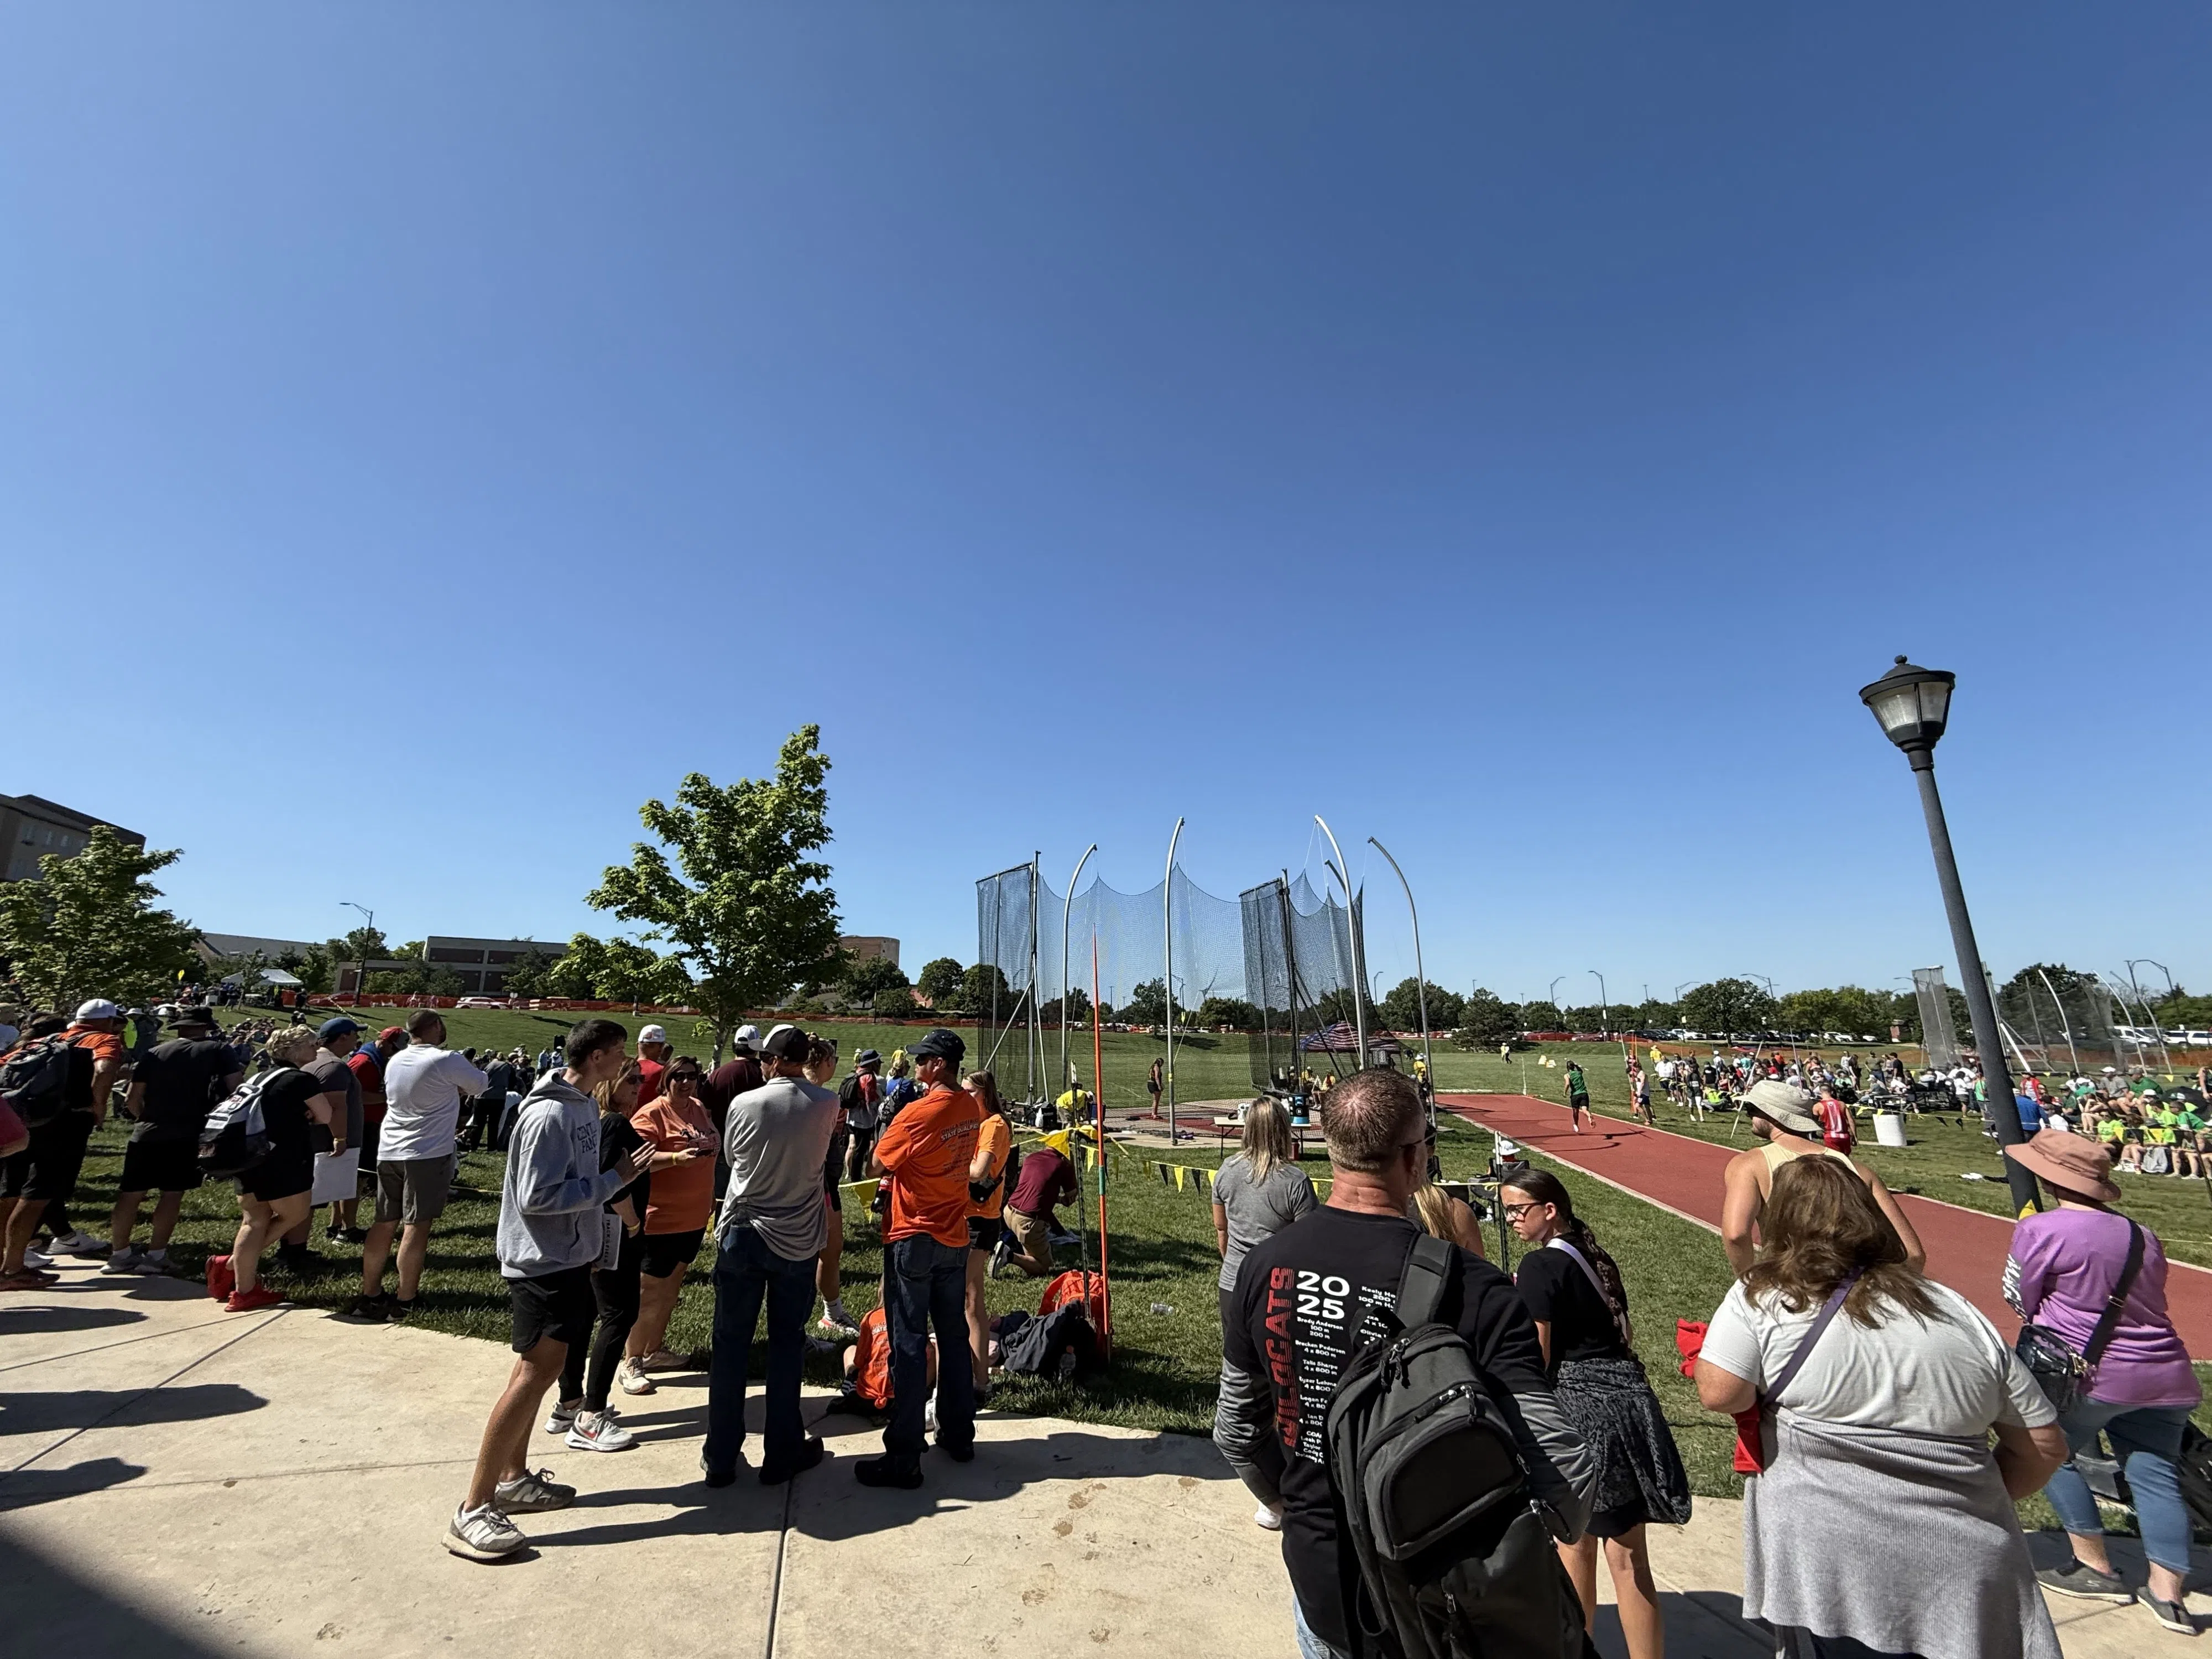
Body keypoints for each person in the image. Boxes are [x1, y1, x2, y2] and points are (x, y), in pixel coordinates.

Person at [1219, 1069, 1594, 1659]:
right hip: (1446, 1592)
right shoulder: (1480, 1289)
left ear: (1327, 1144)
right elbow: (1563, 1473)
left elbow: (1237, 1429)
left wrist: (1292, 1503)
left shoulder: (1263, 1266)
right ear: (1415, 1156)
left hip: (1323, 1581)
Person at [1694, 1156, 2067, 1659]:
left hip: (1836, 1564)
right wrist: (1957, 1500)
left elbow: (1720, 1393)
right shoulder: (1952, 1307)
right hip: (1966, 1562)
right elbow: (2043, 1446)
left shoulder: (1763, 1296)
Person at [445, 1018, 651, 1561]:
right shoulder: (549, 1113)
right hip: (539, 1263)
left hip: (570, 1258)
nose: (627, 1064)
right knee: (534, 1374)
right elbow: (537, 1198)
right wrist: (615, 1182)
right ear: (601, 1057)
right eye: (621, 1055)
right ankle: (472, 1510)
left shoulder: (582, 1105)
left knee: (539, 1372)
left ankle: (512, 1481)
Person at [2003, 1130, 2204, 1631]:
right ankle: (2169, 1593)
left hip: (2089, 1375)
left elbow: (2021, 1296)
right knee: (2155, 1473)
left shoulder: (2041, 1230)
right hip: (2164, 1371)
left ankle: (2093, 1564)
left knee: (2053, 1453)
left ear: (2050, 1179)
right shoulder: (2142, 1234)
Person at [1501, 1169, 1690, 1659]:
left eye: (1519, 1209)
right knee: (1630, 1560)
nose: (1511, 1219)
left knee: (1574, 1549)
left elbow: (1537, 1355)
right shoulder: (1595, 1255)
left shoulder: (1541, 1266)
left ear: (1550, 1210)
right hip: (1629, 1403)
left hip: (1582, 1411)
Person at [703, 1022, 841, 1486]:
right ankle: (782, 1451)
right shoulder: (828, 1102)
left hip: (745, 1230)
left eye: (766, 1059)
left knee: (730, 1345)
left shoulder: (746, 1102)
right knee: (787, 1345)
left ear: (775, 1061)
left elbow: (731, 1157)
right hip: (799, 1235)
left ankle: (721, 1455)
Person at [856, 1026, 982, 1489]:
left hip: (913, 1234)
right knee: (951, 1336)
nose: (918, 1067)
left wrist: (889, 1127)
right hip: (953, 1235)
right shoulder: (970, 1106)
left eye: (924, 1060)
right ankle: (958, 1433)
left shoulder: (916, 1112)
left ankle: (905, 1455)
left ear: (940, 1065)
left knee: (908, 1341)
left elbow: (874, 1166)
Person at [1208, 1096, 1318, 1528]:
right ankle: (1280, 1479)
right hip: (1278, 1294)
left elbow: (1222, 1232)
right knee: (1282, 1383)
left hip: (1234, 1286)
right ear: (1285, 1129)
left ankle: (1269, 1480)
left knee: (1242, 1377)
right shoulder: (1295, 1181)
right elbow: (1310, 1246)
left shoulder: (1226, 1173)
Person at [543, 1060, 655, 1455]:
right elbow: (612, 1181)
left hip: (595, 1232)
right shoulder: (614, 1125)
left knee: (588, 1314)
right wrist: (632, 1225)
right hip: (614, 1234)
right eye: (630, 1080)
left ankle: (570, 1402)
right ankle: (591, 1415)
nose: (638, 1087)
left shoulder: (595, 1123)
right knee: (619, 1315)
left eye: (640, 1080)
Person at [352, 1010, 488, 1321]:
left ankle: (370, 1291)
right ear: (436, 1027)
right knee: (416, 1224)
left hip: (390, 1149)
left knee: (384, 1221)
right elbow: (481, 1084)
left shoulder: (395, 1060)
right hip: (426, 1151)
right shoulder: (446, 1059)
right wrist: (456, 1088)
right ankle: (406, 1298)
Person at [1719, 1080, 1923, 1279]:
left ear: (1770, 1115)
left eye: (1751, 1110)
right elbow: (1913, 1253)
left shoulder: (1748, 1165)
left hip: (1791, 1288)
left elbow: (1736, 1235)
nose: (1748, 1116)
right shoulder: (1856, 1168)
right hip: (1854, 1292)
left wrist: (1748, 1283)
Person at [205, 1026, 345, 1312]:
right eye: (310, 1045)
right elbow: (325, 1116)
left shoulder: (260, 1077)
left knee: (253, 1221)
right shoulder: (300, 1079)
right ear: (296, 1050)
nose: (316, 1049)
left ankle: (243, 1289)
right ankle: (230, 1265)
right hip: (286, 1159)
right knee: (296, 1213)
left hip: (249, 1157)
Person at [104, 1006, 242, 1276]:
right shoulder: (218, 1050)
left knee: (131, 1194)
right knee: (172, 1193)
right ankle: (156, 1255)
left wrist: (146, 1118)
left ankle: (119, 1253)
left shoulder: (155, 1052)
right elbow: (236, 1089)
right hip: (187, 1131)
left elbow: (133, 1098)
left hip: (146, 1131)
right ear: (206, 1027)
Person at [1, 999, 132, 1286]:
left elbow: (5, 1064)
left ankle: (3, 1262)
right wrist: (98, 1109)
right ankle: (13, 1268)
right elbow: (104, 1069)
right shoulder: (104, 1038)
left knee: (10, 1190)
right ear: (109, 1021)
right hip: (64, 1123)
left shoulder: (49, 1040)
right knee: (37, 1194)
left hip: (22, 1120)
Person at [617, 1053, 719, 1393]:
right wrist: (674, 1157)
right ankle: (631, 1359)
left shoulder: (699, 1109)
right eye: (678, 1077)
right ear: (666, 1080)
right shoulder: (653, 1114)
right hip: (660, 1217)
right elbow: (635, 1160)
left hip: (693, 1219)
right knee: (650, 1293)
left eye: (692, 1076)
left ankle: (654, 1350)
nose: (686, 1082)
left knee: (671, 1289)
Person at [274, 1017, 365, 1276]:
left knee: (305, 1201)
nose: (356, 1040)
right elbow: (335, 1106)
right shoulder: (334, 1066)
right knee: (309, 1202)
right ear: (342, 1037)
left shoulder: (312, 1062)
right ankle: (294, 1252)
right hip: (323, 1143)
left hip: (306, 1142)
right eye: (353, 1035)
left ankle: (293, 1248)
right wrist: (341, 1138)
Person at [962, 1069, 1015, 1391]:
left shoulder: (994, 1125)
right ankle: (976, 1378)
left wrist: (948, 1166)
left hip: (979, 1218)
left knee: (966, 1299)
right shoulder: (975, 1123)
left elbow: (980, 1170)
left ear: (984, 1093)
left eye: (968, 1090)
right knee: (968, 1299)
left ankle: (974, 1379)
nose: (963, 1094)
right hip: (965, 1215)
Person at [805, 1036, 855, 1337]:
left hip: (826, 1183)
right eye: (833, 1060)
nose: (835, 1066)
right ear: (824, 1063)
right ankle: (812, 1317)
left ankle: (832, 1312)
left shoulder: (825, 1098)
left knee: (832, 1249)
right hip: (812, 1185)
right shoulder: (818, 1099)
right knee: (812, 1253)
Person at [338, 1026, 405, 1243]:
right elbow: (355, 1096)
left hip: (371, 1123)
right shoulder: (364, 1062)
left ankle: (338, 1224)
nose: (395, 1053)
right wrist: (389, 1096)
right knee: (355, 1179)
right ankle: (347, 1229)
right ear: (384, 1041)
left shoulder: (378, 1059)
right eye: (394, 1048)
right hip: (362, 1124)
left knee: (357, 1177)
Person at [993, 1130, 1078, 1279]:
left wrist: (1057, 1199)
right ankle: (1009, 1256)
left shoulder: (1031, 1158)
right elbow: (1071, 1197)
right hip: (1029, 1222)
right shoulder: (1063, 1165)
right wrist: (1073, 1168)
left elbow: (1035, 1191)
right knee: (1043, 1267)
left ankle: (1012, 1253)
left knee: (1033, 1256)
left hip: (1009, 1211)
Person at [699, 1024, 764, 1204]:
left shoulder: (718, 1075)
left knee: (722, 1200)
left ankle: (720, 1232)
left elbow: (705, 1112)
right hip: (756, 1149)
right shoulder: (763, 1076)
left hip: (723, 1148)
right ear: (757, 1048)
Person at [840, 1049, 884, 1182]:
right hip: (864, 1121)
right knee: (861, 1150)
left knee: (856, 1147)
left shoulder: (857, 1073)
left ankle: (854, 1175)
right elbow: (869, 1100)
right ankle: (856, 1177)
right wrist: (876, 1116)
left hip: (852, 1118)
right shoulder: (869, 1077)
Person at [635, 1024, 670, 1105]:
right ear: (661, 1047)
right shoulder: (662, 1071)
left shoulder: (623, 1067)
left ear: (638, 1045)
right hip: (649, 1116)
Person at [1564, 1058, 1592, 1131]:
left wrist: (1564, 1093)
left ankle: (1576, 1125)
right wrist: (1577, 1066)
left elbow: (1567, 1084)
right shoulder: (1579, 1073)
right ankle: (1589, 1116)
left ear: (1567, 1068)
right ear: (1574, 1067)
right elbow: (1581, 1071)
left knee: (1575, 1111)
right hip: (1584, 1094)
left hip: (1575, 1095)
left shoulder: (1567, 1075)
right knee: (1585, 1110)